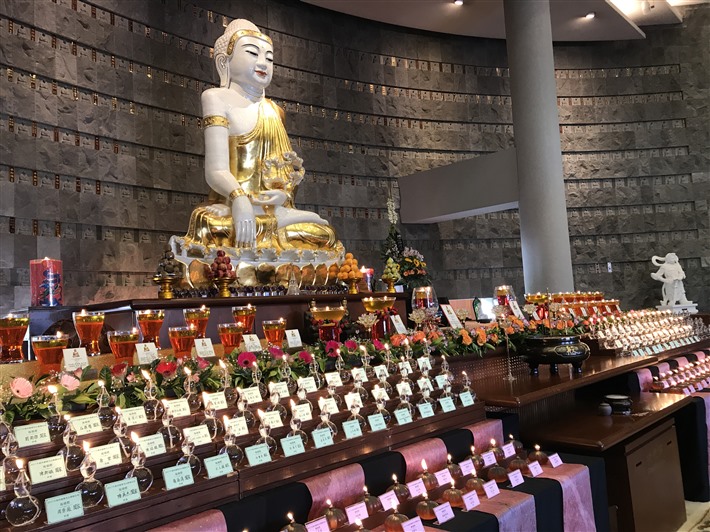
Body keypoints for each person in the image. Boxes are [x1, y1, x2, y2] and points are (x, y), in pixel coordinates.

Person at [178, 19, 342, 256]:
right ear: (224, 61)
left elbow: (284, 173)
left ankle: (276, 225)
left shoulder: (275, 111)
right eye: (253, 53)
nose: (263, 63)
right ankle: (271, 230)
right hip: (231, 206)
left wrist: (282, 196)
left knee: (325, 234)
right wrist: (238, 200)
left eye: (269, 57)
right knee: (211, 227)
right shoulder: (216, 98)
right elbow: (215, 171)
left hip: (268, 210)